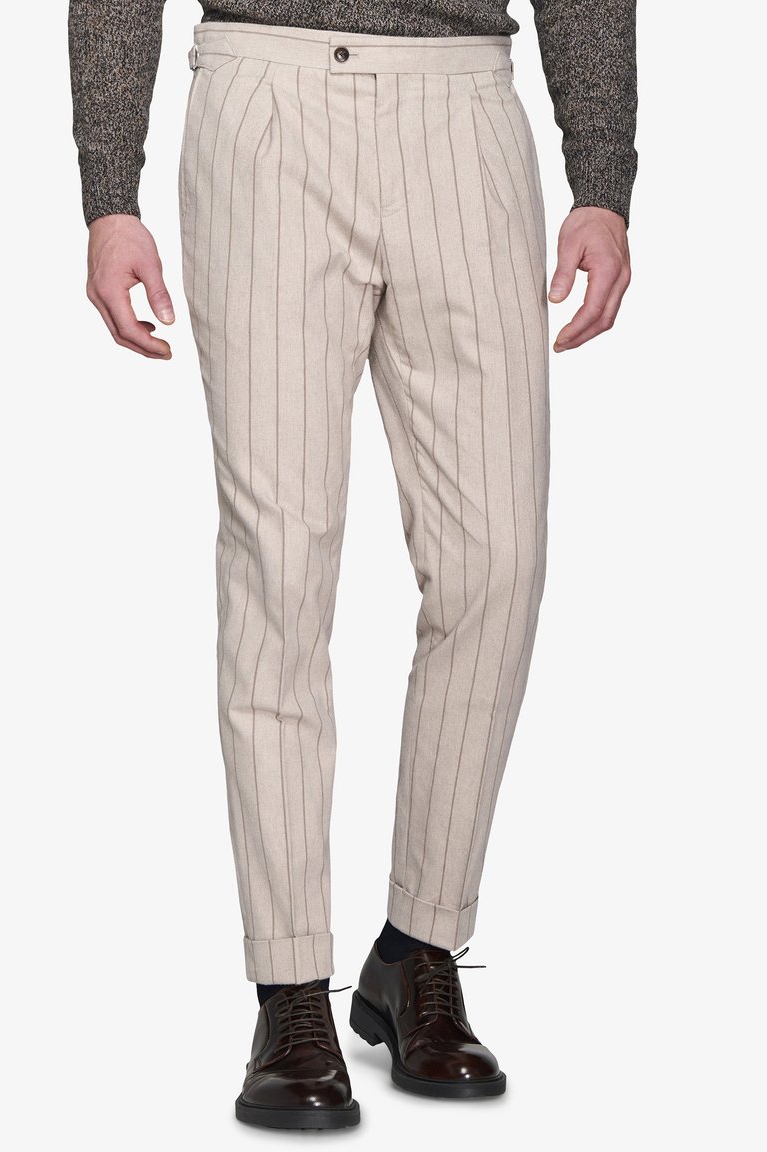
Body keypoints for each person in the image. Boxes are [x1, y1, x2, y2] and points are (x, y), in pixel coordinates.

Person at [68, 0, 637, 1132]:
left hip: (464, 103)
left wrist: (603, 176)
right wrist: (108, 190)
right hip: (263, 97)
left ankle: (419, 947)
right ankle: (289, 992)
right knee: (277, 566)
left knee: (497, 560)